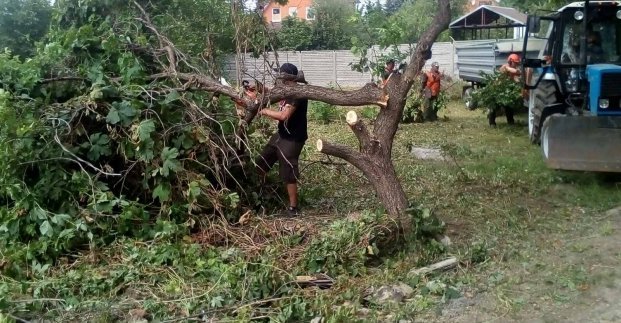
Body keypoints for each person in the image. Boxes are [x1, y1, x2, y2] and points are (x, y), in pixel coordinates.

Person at [255, 63, 308, 217]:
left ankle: (293, 208)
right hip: (281, 134)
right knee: (261, 162)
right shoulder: (285, 90)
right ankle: (263, 193)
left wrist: (263, 110)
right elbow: (271, 91)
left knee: (288, 173)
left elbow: (284, 116)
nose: (278, 77)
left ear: (287, 78)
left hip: (293, 138)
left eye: (280, 75)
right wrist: (257, 88)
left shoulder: (297, 94)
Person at [488, 54, 520, 126]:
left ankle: (511, 122)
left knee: (508, 106)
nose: (516, 64)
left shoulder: (514, 71)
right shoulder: (505, 67)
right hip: (497, 89)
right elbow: (512, 70)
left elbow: (516, 79)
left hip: (506, 90)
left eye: (517, 63)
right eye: (515, 63)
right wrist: (518, 71)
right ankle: (492, 123)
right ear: (510, 61)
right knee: (495, 106)